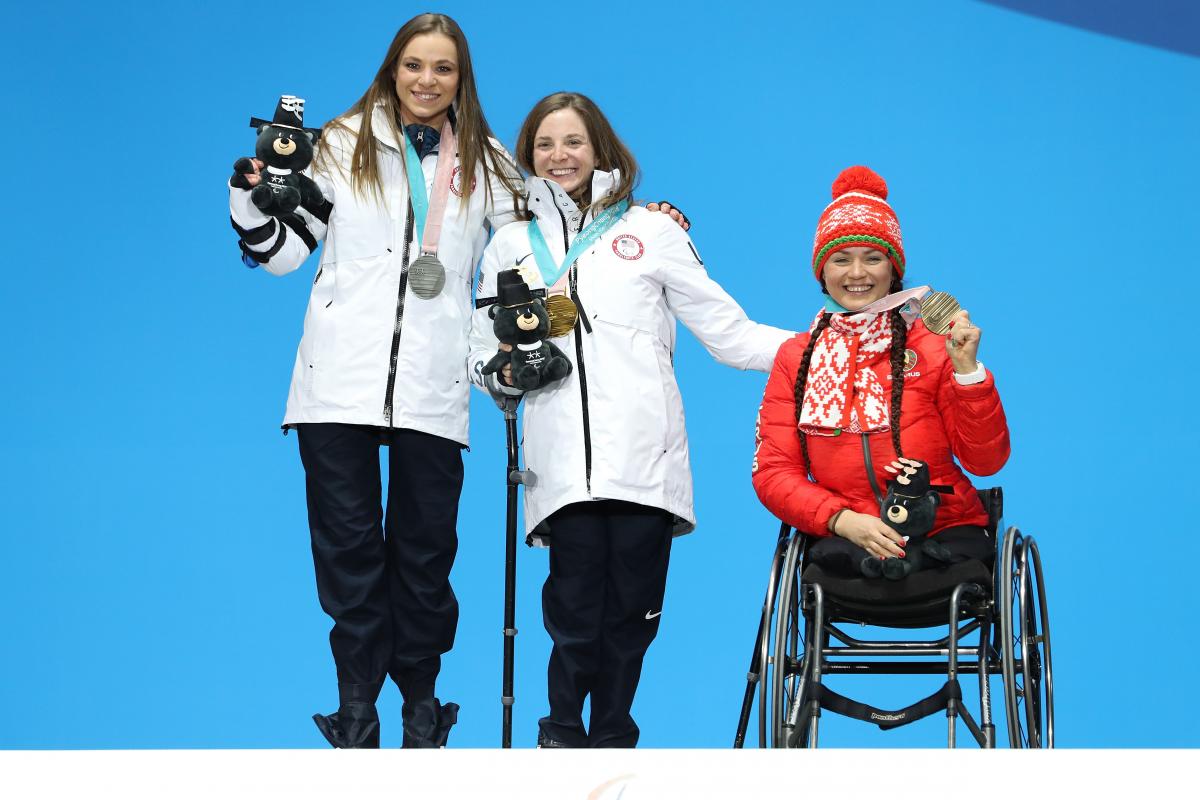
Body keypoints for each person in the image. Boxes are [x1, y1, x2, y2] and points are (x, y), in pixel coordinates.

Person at [227, 13, 529, 749]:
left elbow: (535, 238)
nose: (427, 81)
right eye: (414, 65)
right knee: (350, 550)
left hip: (432, 381)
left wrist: (636, 208)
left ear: (462, 78)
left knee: (425, 554)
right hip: (339, 378)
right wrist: (250, 196)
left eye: (443, 68)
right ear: (392, 68)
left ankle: (422, 708)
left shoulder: (483, 160)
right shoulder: (339, 142)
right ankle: (356, 709)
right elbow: (285, 252)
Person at [467, 92, 793, 748]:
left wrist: (825, 346)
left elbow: (731, 336)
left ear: (601, 151)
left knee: (632, 616)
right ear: (530, 156)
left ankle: (613, 734)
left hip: (646, 455)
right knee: (574, 608)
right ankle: (560, 733)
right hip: (562, 463)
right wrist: (504, 372)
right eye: (545, 145)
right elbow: (482, 355)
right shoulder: (510, 243)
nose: (560, 156)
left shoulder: (654, 233)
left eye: (574, 142)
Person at [751, 166, 1010, 581]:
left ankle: (905, 560)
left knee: (960, 551)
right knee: (827, 560)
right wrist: (842, 519)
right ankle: (884, 558)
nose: (857, 273)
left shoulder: (932, 343)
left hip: (944, 528)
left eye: (873, 258)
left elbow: (987, 462)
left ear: (893, 269)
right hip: (847, 534)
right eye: (841, 259)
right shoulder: (796, 357)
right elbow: (774, 471)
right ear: (822, 271)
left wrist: (968, 373)